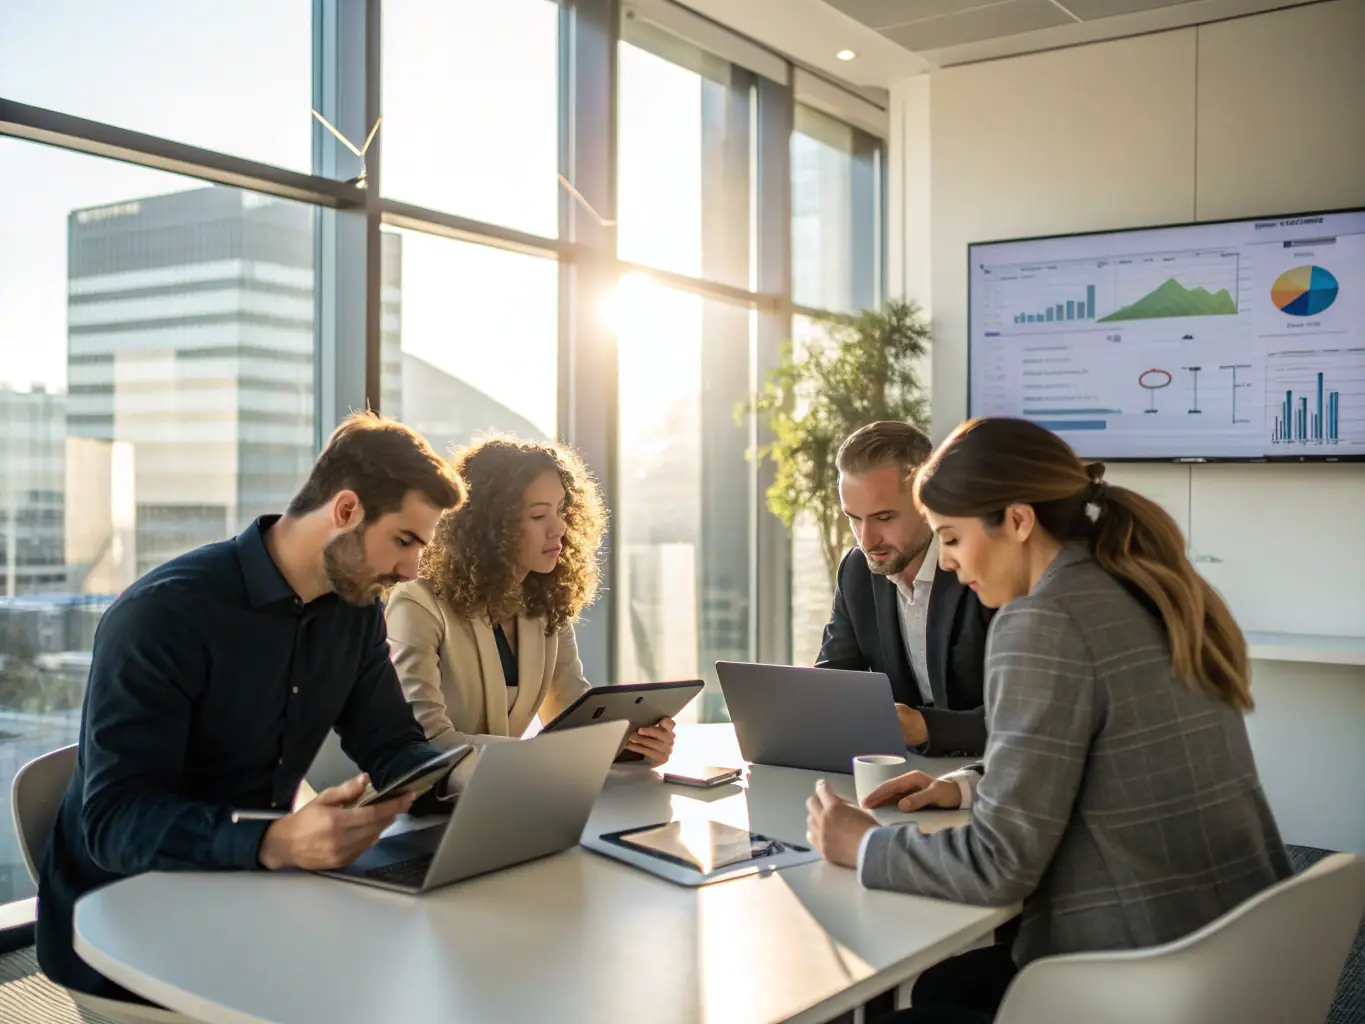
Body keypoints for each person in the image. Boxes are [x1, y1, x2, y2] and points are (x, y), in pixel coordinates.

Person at [805, 417, 1291, 1024]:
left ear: (1017, 521)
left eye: (952, 539)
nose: (949, 563)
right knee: (947, 987)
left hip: (1142, 973)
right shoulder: (1145, 582)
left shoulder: (1040, 619)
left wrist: (864, 844)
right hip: (1241, 950)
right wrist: (964, 785)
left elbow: (998, 867)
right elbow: (1094, 745)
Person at [37, 413, 468, 1016]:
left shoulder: (353, 612)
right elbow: (114, 822)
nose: (411, 571)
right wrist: (272, 841)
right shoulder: (163, 617)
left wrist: (459, 779)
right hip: (129, 920)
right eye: (404, 541)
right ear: (345, 511)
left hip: (258, 894)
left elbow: (390, 740)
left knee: (425, 971)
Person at [386, 436, 676, 764]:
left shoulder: (544, 605)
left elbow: (572, 716)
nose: (559, 528)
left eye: (561, 510)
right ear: (490, 526)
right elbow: (426, 739)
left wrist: (633, 742)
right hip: (422, 807)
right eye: (539, 516)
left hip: (509, 795)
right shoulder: (417, 605)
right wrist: (539, 755)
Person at [816, 421, 993, 756]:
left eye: (883, 518)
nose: (866, 540)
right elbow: (833, 684)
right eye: (854, 518)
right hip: (906, 774)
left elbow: (1028, 716)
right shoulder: (857, 572)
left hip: (987, 774)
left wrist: (927, 728)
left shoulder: (982, 570)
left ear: (927, 502)